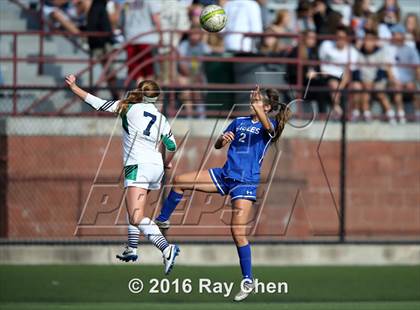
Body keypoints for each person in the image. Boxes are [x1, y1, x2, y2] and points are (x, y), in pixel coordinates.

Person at [154, 86, 291, 301]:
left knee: (237, 232)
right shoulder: (239, 122)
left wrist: (260, 108)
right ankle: (162, 221)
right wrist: (222, 139)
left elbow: (270, 130)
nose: (252, 101)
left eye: (257, 100)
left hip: (245, 182)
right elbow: (218, 146)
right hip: (225, 174)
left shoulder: (270, 125)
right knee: (179, 181)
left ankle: (248, 280)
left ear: (267, 107)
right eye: (252, 99)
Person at [64, 74, 180, 275]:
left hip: (137, 166)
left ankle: (166, 248)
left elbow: (98, 104)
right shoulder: (161, 118)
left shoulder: (128, 107)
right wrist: (166, 162)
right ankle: (132, 248)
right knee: (134, 208)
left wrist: (74, 88)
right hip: (156, 168)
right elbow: (172, 145)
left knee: (136, 215)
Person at [351, 30, 397, 123]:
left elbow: (382, 71)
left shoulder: (380, 52)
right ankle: (360, 115)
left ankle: (391, 115)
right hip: (363, 81)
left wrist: (372, 83)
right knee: (358, 88)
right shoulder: (358, 52)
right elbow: (355, 71)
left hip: (378, 81)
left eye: (371, 40)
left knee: (379, 92)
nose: (368, 42)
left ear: (375, 42)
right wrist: (364, 82)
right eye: (366, 40)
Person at [318, 25, 358, 117]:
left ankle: (351, 112)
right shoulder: (326, 45)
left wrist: (340, 88)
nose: (339, 39)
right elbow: (321, 64)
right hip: (327, 75)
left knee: (356, 86)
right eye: (337, 36)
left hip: (343, 78)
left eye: (342, 37)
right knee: (333, 84)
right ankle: (338, 110)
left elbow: (348, 73)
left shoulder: (352, 51)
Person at [286, 30, 329, 113]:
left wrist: (318, 74)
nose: (313, 40)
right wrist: (305, 74)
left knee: (325, 84)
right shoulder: (296, 51)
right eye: (310, 38)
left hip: (312, 81)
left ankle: (326, 112)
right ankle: (323, 114)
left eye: (314, 38)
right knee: (321, 87)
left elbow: (317, 68)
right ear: (305, 38)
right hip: (300, 83)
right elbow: (292, 72)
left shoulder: (314, 51)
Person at [86, 0, 119, 99]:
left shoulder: (97, 7)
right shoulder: (98, 7)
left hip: (101, 44)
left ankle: (115, 97)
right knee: (110, 72)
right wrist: (106, 40)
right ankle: (115, 97)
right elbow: (95, 26)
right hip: (102, 46)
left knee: (109, 72)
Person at [388, 24, 420, 123]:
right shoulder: (388, 49)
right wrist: (394, 80)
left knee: (413, 87)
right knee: (397, 87)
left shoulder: (410, 50)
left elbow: (417, 68)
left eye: (395, 34)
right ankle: (401, 115)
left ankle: (417, 114)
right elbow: (388, 68)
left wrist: (417, 81)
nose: (393, 36)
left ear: (402, 35)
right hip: (393, 81)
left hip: (409, 81)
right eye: (392, 34)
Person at [178, 25, 212, 118]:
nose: (194, 37)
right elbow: (182, 66)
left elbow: (214, 50)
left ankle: (201, 116)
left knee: (198, 87)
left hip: (199, 76)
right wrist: (193, 77)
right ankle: (189, 116)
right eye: (192, 34)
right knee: (186, 88)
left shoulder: (203, 46)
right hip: (187, 75)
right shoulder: (184, 45)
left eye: (196, 34)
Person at [124, 0, 161, 83]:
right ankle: (148, 94)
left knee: (137, 73)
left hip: (131, 38)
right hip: (147, 38)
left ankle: (143, 93)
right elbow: (156, 19)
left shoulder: (128, 2)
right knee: (149, 70)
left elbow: (122, 20)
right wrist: (161, 37)